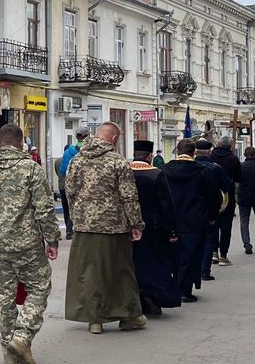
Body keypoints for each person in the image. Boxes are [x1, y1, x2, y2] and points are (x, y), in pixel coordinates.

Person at [0, 123, 61, 364]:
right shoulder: (31, 168)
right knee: (39, 287)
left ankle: (8, 351)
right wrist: (52, 239)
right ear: (21, 143)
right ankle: (22, 336)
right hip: (27, 241)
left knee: (5, 295)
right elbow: (45, 208)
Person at [64, 123, 146, 334]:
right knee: (120, 272)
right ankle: (129, 316)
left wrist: (77, 217)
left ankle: (95, 320)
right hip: (114, 227)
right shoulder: (117, 161)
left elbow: (69, 191)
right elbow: (128, 196)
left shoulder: (77, 160)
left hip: (84, 226)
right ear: (113, 139)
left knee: (89, 273)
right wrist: (136, 224)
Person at [162, 138, 222, 302]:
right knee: (192, 255)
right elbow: (213, 197)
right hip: (195, 220)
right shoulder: (203, 171)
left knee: (171, 255)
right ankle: (185, 290)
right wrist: (211, 216)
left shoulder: (164, 170)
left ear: (178, 151)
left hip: (170, 220)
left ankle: (170, 287)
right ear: (193, 152)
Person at [129, 141, 181, 317]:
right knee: (155, 264)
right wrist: (172, 230)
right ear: (150, 156)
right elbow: (166, 204)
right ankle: (153, 298)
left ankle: (137, 298)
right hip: (153, 227)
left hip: (128, 226)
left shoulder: (124, 172)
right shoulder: (156, 174)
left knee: (133, 263)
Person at [195, 139, 231, 283]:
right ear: (209, 152)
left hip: (189, 210)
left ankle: (192, 271)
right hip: (209, 209)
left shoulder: (190, 166)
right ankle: (205, 271)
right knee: (209, 240)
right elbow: (227, 186)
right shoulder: (215, 168)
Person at [209, 136, 242, 267]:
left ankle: (213, 253)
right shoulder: (233, 158)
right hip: (227, 195)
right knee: (226, 226)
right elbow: (239, 177)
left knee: (213, 225)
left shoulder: (211, 157)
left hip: (212, 194)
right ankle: (223, 256)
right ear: (230, 146)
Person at [57, 126, 89, 240]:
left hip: (69, 184)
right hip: (85, 185)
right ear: (87, 136)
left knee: (68, 209)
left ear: (76, 137)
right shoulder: (91, 149)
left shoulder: (69, 151)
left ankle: (69, 230)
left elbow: (62, 170)